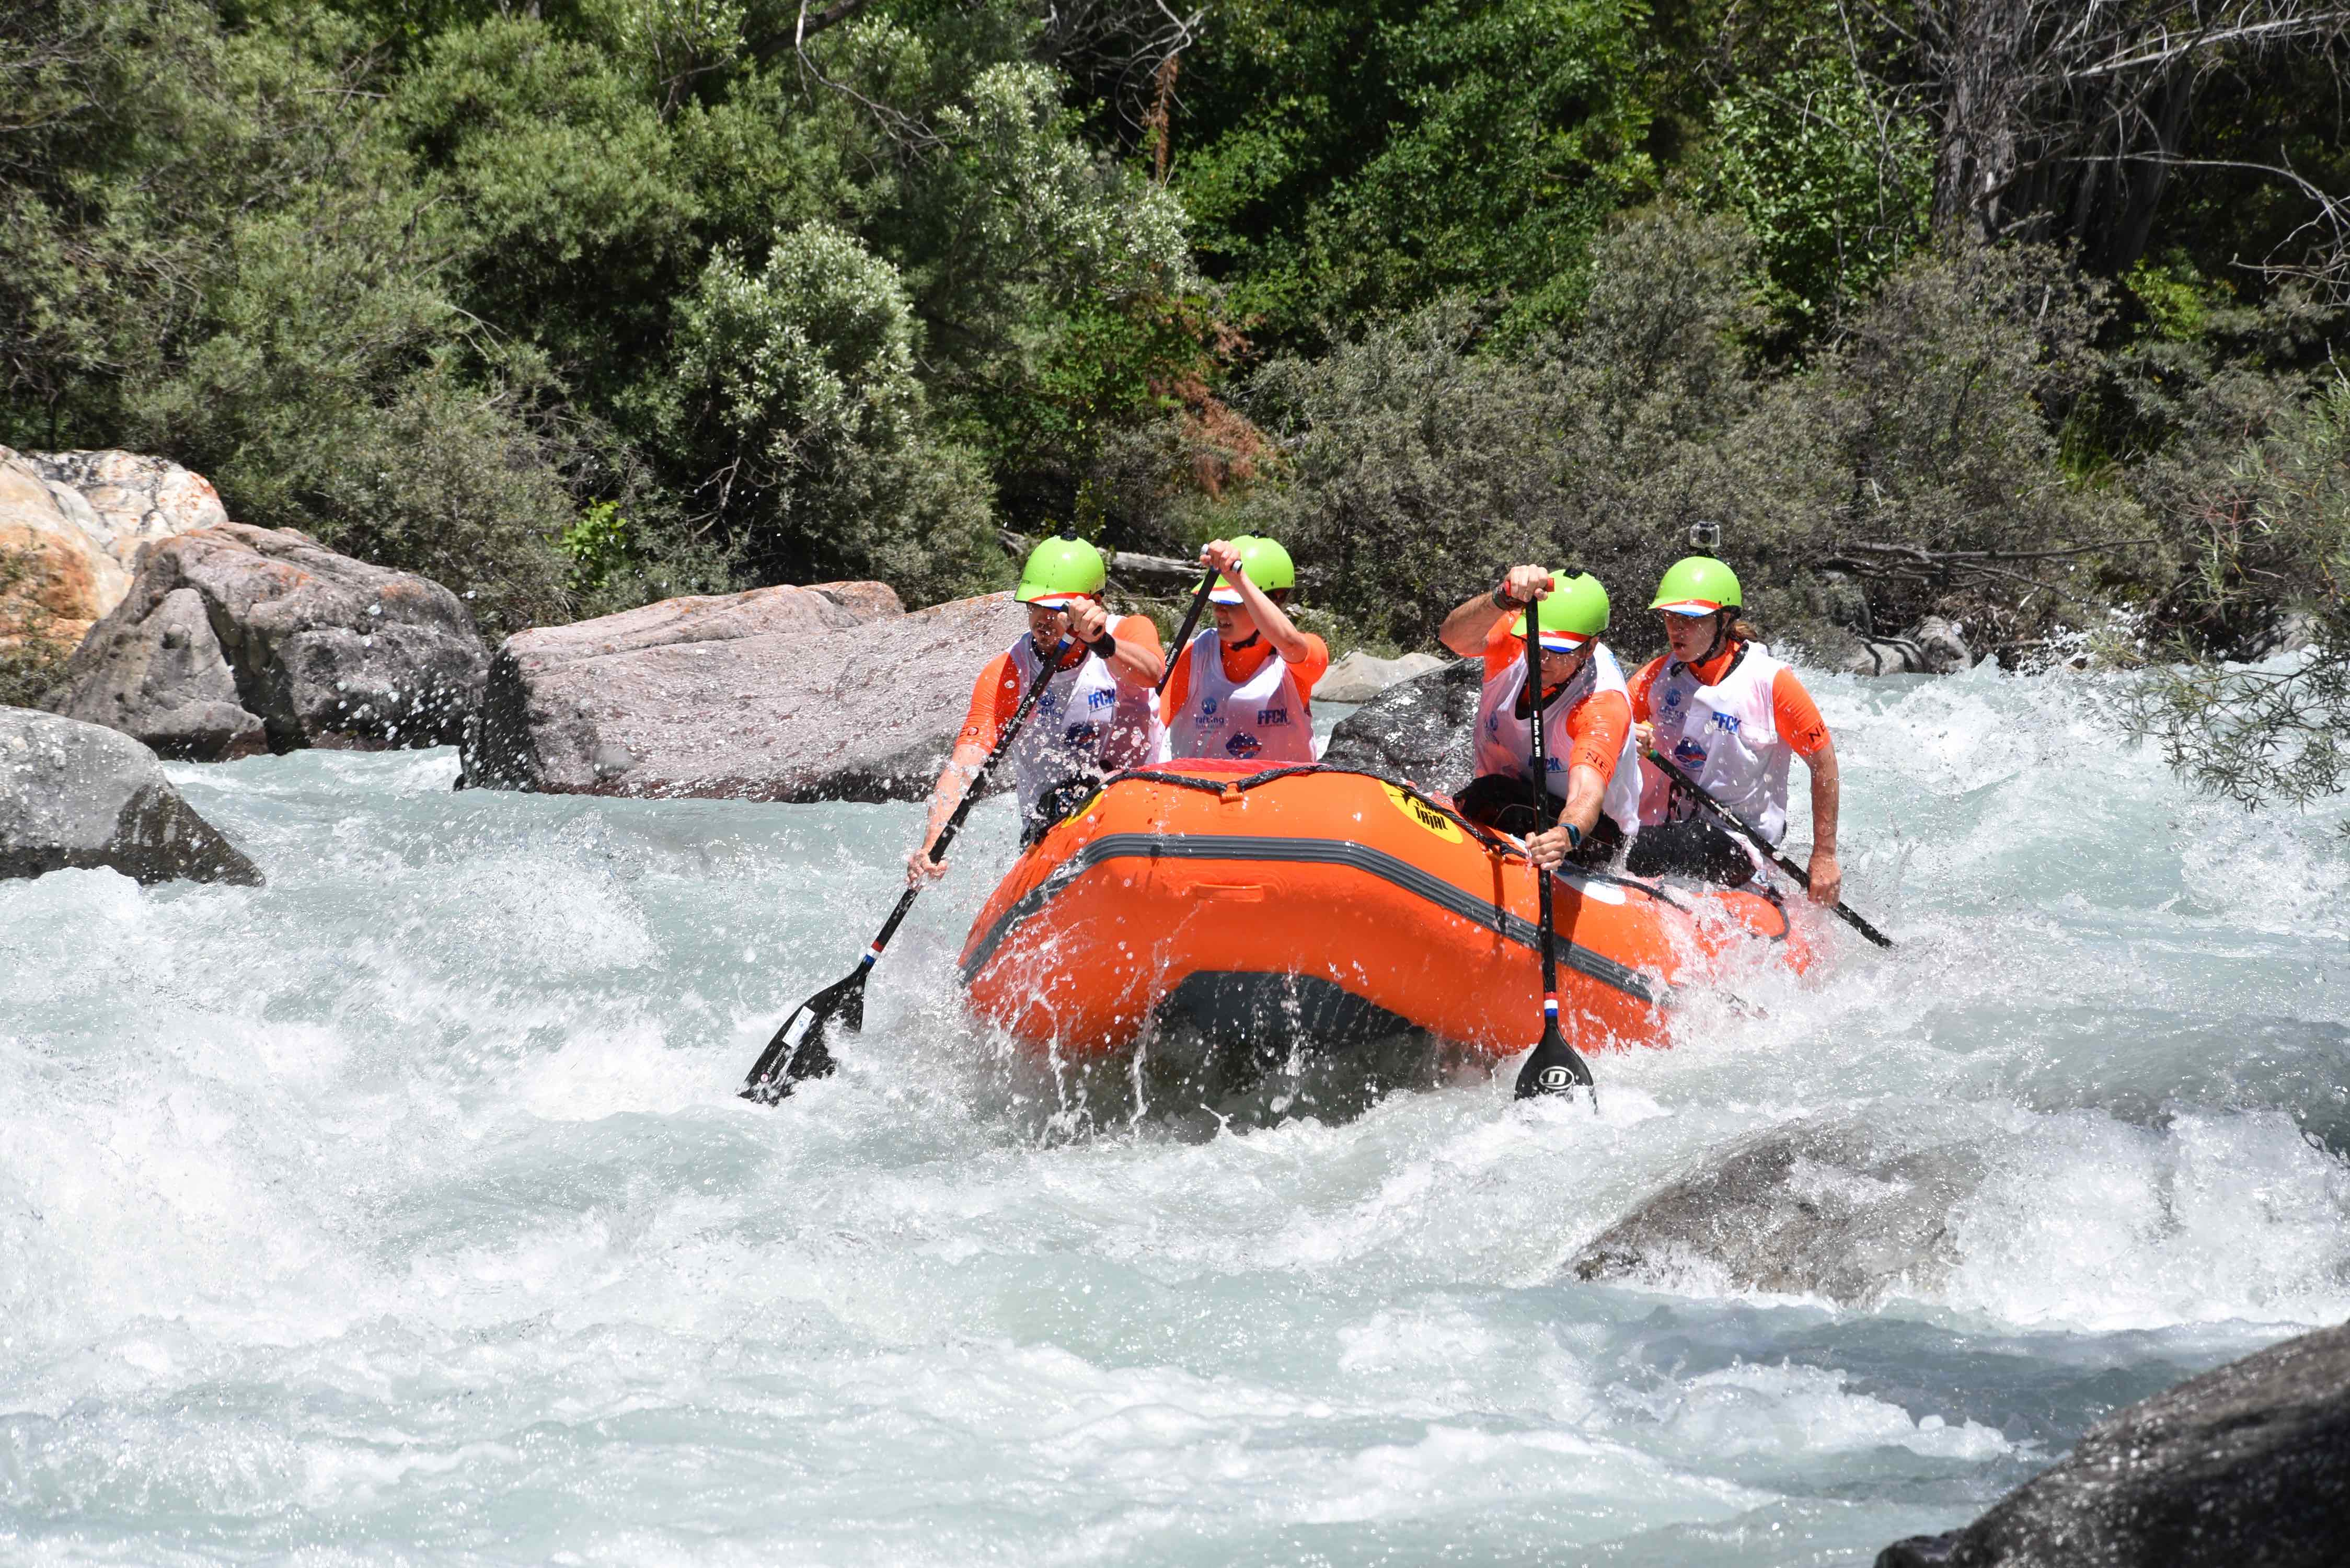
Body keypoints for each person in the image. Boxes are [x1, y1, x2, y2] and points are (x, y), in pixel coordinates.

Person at [907, 535, 1164, 883]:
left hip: (1134, 813)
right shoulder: (1009, 673)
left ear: (1094, 604)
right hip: (1051, 828)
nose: (1042, 619)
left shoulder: (1130, 631)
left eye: (1056, 608)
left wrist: (1100, 641)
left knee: (1105, 786)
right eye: (1033, 606)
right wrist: (932, 843)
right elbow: (963, 768)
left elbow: (1152, 674)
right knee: (1065, 799)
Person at [1627, 554, 1843, 905]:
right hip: (1664, 833)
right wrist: (1626, 738)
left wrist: (1825, 856)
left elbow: (1824, 764)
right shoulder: (1655, 677)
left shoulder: (1771, 682)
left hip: (1740, 842)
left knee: (1690, 838)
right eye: (1669, 617)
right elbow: (1607, 727)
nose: (1676, 628)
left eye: (1690, 619)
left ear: (1724, 620)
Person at [1436, 564, 1640, 872]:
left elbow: (1587, 793)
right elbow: (1451, 637)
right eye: (1537, 642)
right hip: (1510, 798)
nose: (1541, 656)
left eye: (1557, 649)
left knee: (1492, 793)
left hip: (1591, 835)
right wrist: (1501, 598)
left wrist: (1565, 834)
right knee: (1491, 793)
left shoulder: (1602, 704)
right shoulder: (1517, 635)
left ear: (1590, 648)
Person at [1159, 534, 1329, 764]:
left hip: (1279, 795)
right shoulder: (1192, 657)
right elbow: (1152, 727)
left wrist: (1238, 579)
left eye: (1232, 602)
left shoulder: (1305, 654)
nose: (1219, 612)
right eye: (1216, 602)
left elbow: (1289, 643)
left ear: (1275, 600)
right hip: (1202, 793)